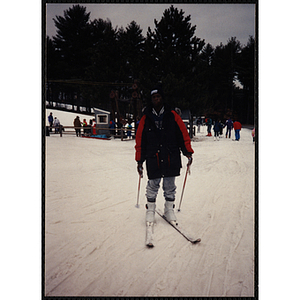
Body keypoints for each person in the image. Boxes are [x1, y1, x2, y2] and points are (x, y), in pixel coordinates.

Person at [135, 87, 194, 225]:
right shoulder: (146, 117)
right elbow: (140, 140)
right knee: (153, 184)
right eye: (154, 97)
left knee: (169, 184)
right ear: (151, 100)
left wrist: (188, 152)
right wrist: (139, 160)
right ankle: (150, 210)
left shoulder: (173, 115)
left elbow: (183, 135)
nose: (156, 99)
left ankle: (169, 209)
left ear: (162, 98)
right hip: (153, 156)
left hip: (170, 155)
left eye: (158, 96)